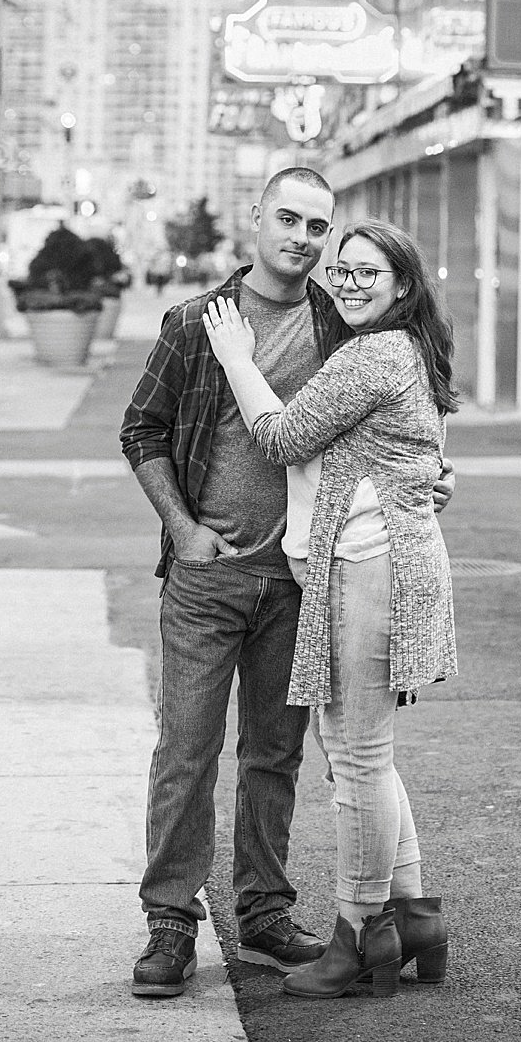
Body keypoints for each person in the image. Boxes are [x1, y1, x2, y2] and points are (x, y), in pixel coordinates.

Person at [203, 217, 458, 1000]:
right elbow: (413, 456)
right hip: (374, 563)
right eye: (341, 270)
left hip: (369, 568)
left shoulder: (375, 352)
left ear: (402, 284)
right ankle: (414, 915)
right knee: (367, 753)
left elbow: (280, 436)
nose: (348, 282)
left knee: (356, 759)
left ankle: (358, 934)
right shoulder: (399, 348)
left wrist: (237, 358)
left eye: (367, 272)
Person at [119, 166, 347, 999]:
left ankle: (263, 910)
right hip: (208, 579)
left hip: (295, 577)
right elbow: (139, 426)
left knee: (274, 754)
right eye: (288, 217)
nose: (301, 236)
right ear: (256, 218)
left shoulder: (341, 326)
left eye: (318, 226)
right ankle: (171, 921)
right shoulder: (196, 322)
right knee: (186, 747)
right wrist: (184, 530)